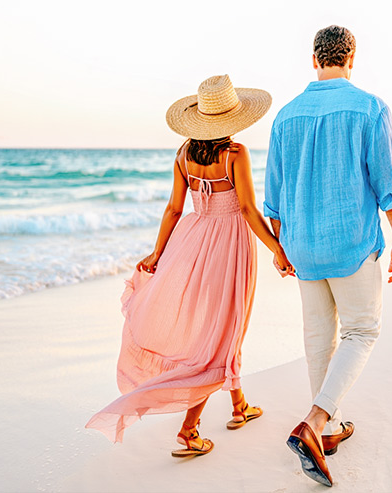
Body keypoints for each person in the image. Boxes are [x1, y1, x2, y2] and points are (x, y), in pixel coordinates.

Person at [86, 75, 294, 457]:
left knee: (219, 327)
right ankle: (189, 430)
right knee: (223, 331)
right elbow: (248, 209)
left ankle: (239, 406)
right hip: (230, 244)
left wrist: (157, 253)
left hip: (193, 240)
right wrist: (277, 249)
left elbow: (173, 209)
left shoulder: (184, 154)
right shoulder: (235, 154)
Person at [264, 25, 392, 486]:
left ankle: (329, 430)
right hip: (350, 241)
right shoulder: (370, 108)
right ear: (351, 58)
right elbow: (389, 185)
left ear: (314, 59)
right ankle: (315, 421)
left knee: (318, 338)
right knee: (362, 331)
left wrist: (281, 247)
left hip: (302, 245)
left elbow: (274, 196)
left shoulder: (286, 116)